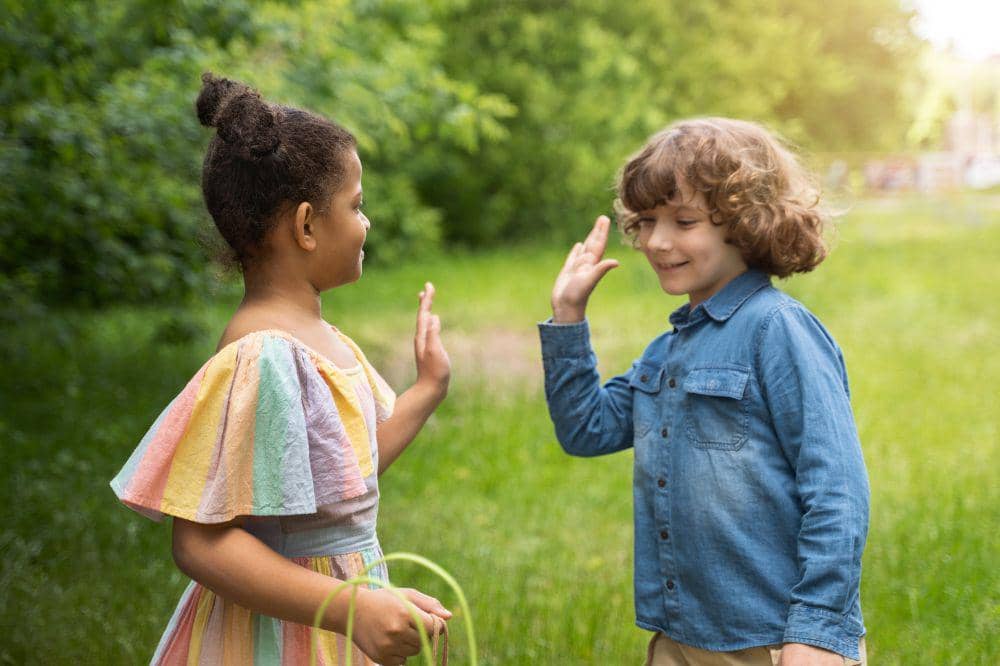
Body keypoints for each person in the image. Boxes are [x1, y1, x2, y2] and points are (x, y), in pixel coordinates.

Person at [111, 73, 452, 666]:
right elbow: (199, 542)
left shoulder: (316, 341)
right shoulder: (263, 356)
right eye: (356, 205)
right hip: (277, 636)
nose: (365, 221)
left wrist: (426, 389)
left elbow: (344, 479)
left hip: (330, 619)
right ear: (306, 226)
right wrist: (351, 608)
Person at [539, 118, 869, 665]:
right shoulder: (667, 352)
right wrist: (568, 317)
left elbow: (836, 488)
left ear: (745, 223)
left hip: (772, 639)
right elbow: (586, 430)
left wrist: (817, 630)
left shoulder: (777, 330)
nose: (657, 241)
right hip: (681, 635)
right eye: (646, 221)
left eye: (683, 221)